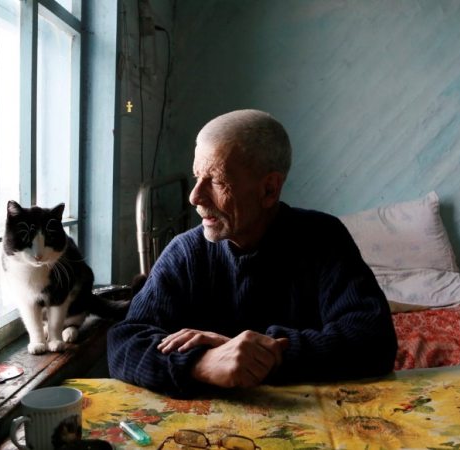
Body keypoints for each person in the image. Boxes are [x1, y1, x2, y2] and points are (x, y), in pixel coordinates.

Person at [107, 109, 397, 397]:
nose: (195, 196)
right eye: (197, 177)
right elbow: (123, 343)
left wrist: (265, 354)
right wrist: (202, 363)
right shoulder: (186, 252)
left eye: (216, 180)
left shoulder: (322, 238)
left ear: (269, 189)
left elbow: (374, 341)